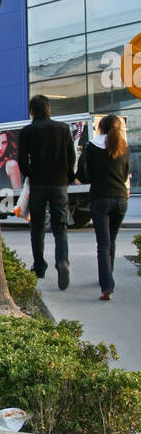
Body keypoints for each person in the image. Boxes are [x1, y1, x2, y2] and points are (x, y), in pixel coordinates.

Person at [17, 94, 75, 289]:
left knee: (38, 228)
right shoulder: (63, 129)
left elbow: (22, 162)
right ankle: (62, 262)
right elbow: (71, 157)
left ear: (32, 110)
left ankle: (40, 266)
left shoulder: (27, 131)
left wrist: (30, 175)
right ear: (48, 109)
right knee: (61, 227)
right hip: (59, 184)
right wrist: (68, 177)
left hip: (39, 184)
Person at [77, 114, 131, 301]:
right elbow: (125, 173)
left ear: (100, 127)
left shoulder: (91, 146)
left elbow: (82, 174)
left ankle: (106, 285)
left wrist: (94, 178)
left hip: (100, 198)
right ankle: (108, 276)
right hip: (121, 199)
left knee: (103, 243)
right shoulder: (124, 147)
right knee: (112, 240)